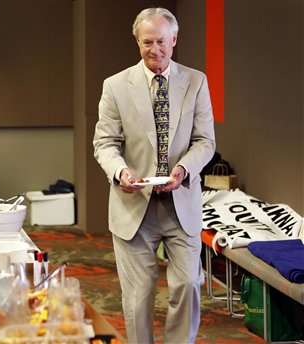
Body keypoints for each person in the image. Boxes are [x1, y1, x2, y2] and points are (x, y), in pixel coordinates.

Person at [93, 8, 216, 343]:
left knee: (189, 284)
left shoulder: (196, 81)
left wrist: (183, 169)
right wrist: (119, 171)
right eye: (147, 42)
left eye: (161, 41)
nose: (155, 49)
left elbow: (205, 142)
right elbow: (105, 143)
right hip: (134, 207)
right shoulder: (116, 86)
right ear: (137, 41)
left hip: (181, 203)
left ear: (174, 40)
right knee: (138, 296)